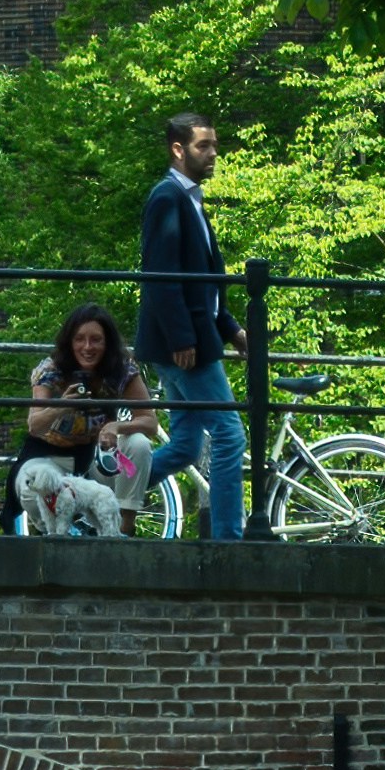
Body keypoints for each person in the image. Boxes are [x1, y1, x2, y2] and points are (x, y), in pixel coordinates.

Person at [135, 110, 246, 538]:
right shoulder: (167, 198)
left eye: (215, 145)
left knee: (183, 445)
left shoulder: (189, 199)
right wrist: (183, 336)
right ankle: (229, 541)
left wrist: (231, 329)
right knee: (230, 433)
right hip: (185, 347)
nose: (213, 153)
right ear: (178, 150)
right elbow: (160, 276)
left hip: (189, 340)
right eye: (204, 146)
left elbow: (205, 285)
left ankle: (100, 492)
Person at [15, 306, 157, 537]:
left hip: (98, 461)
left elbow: (150, 422)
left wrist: (116, 426)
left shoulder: (122, 369)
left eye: (96, 340)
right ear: (69, 342)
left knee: (138, 443)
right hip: (59, 461)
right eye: (79, 339)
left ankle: (124, 528)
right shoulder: (50, 370)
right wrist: (62, 406)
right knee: (28, 485)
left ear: (107, 343)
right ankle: (54, 535)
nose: (87, 347)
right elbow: (35, 425)